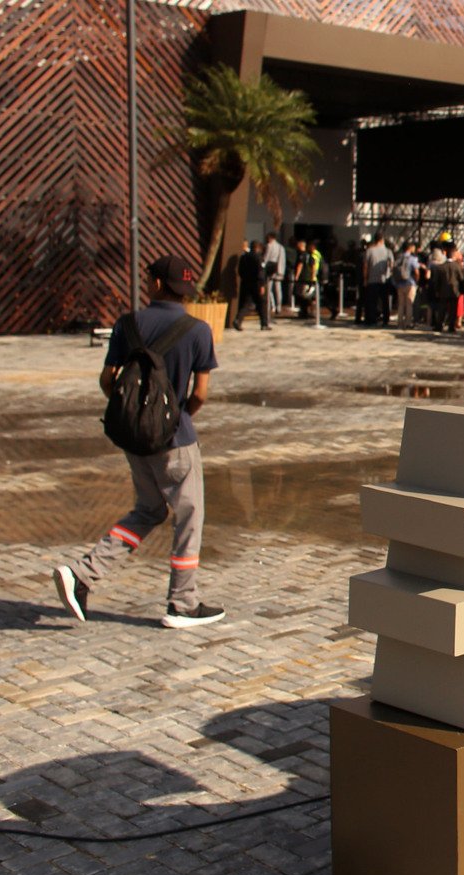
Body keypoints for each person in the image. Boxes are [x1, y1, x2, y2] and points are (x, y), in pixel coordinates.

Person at [53, 254, 225, 628]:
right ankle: (182, 603)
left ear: (156, 284)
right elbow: (200, 393)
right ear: (184, 289)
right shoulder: (198, 330)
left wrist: (134, 413)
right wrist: (177, 417)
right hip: (176, 439)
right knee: (189, 517)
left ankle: (82, 574)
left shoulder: (127, 324)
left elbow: (107, 379)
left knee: (149, 510)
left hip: (135, 440)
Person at [232, 240, 269, 331]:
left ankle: (238, 320)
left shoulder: (244, 257)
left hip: (246, 283)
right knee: (262, 303)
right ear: (258, 248)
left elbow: (240, 271)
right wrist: (262, 285)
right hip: (256, 284)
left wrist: (245, 278)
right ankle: (264, 324)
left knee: (246, 303)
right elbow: (261, 272)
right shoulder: (258, 258)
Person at [361, 233, 393, 325]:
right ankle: (385, 319)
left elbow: (365, 266)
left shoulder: (369, 251)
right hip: (384, 279)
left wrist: (365, 279)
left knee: (372, 301)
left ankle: (372, 319)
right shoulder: (388, 251)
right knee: (385, 301)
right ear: (382, 240)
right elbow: (391, 265)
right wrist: (389, 273)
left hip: (372, 279)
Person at [392, 242, 420, 330]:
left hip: (399, 283)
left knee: (400, 304)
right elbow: (416, 272)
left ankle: (399, 323)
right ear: (409, 248)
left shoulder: (398, 258)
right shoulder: (412, 259)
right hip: (410, 283)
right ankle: (408, 323)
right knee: (409, 304)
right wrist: (416, 281)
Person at [263, 232, 286, 317]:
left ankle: (271, 305)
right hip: (278, 269)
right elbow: (282, 259)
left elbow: (266, 258)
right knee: (278, 289)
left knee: (269, 289)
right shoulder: (281, 247)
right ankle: (278, 307)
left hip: (270, 268)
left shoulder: (269, 246)